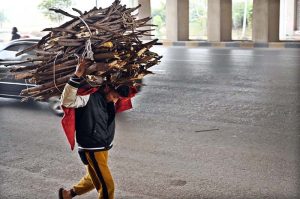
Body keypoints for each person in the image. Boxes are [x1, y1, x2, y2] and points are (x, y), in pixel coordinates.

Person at [59, 60, 130, 199]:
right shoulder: (88, 97)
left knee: (93, 178)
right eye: (114, 96)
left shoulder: (109, 99)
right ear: (107, 88)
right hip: (92, 147)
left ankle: (68, 194)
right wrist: (76, 76)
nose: (115, 101)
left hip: (103, 146)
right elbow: (67, 101)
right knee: (107, 186)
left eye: (117, 98)